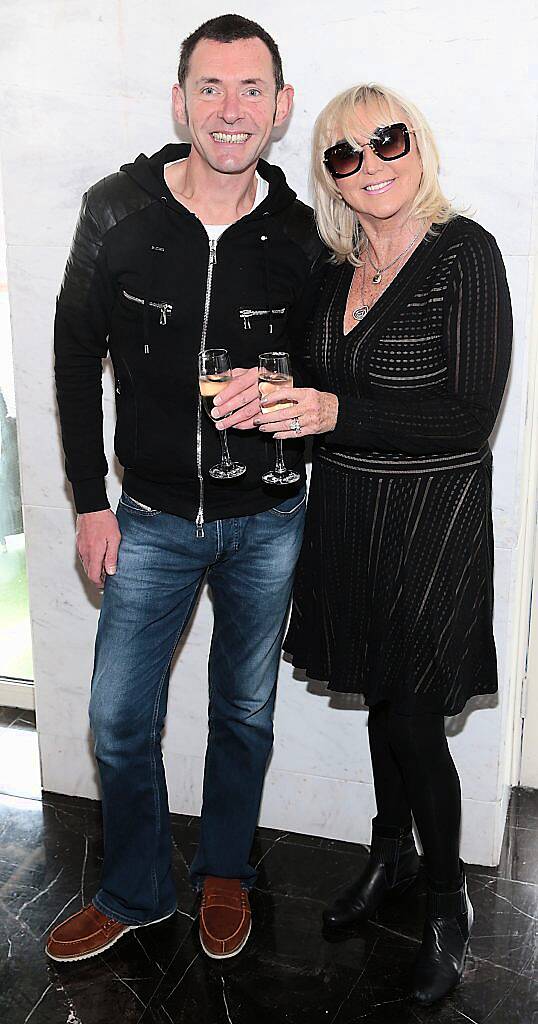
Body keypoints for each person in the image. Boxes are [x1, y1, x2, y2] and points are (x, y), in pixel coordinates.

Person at [47, 14, 323, 963]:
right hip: (151, 519)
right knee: (118, 721)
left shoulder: (305, 233)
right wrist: (88, 497)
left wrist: (294, 395)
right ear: (180, 101)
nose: (231, 109)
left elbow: (333, 371)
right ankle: (134, 890)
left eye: (252, 89)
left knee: (244, 712)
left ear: (281, 109)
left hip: (268, 521)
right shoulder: (113, 209)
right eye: (211, 87)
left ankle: (222, 874)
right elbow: (76, 355)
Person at [245, 83, 512, 1004]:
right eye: (344, 154)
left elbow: (469, 414)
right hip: (350, 513)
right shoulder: (334, 269)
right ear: (332, 179)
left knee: (410, 716)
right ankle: (389, 855)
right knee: (377, 699)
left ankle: (448, 905)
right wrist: (265, 393)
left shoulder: (464, 254)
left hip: (432, 521)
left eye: (385, 139)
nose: (371, 163)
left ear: (417, 143)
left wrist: (335, 411)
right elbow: (300, 376)